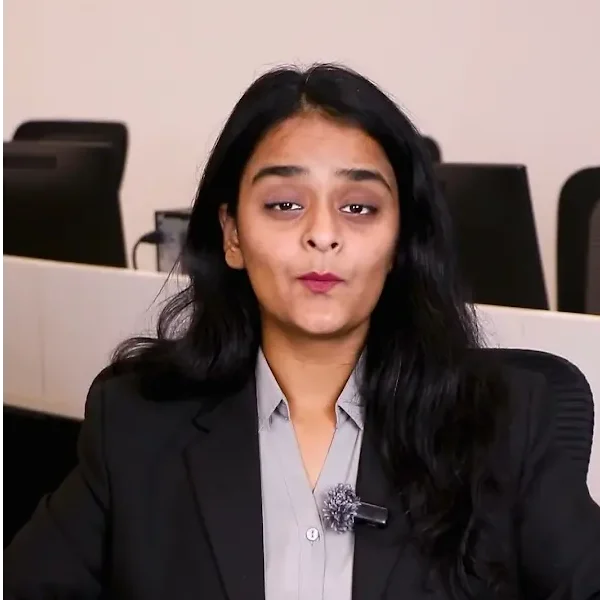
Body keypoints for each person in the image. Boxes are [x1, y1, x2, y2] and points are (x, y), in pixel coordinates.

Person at [4, 64, 600, 600]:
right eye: (285, 204)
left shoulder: (505, 422)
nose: (322, 234)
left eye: (358, 207)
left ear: (400, 242)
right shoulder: (136, 422)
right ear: (232, 235)